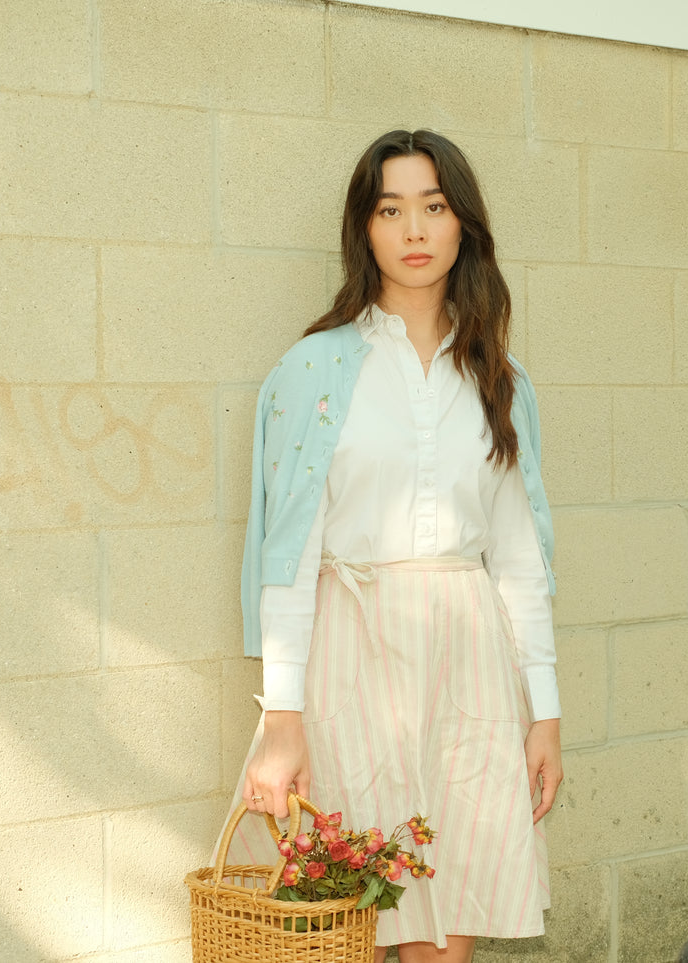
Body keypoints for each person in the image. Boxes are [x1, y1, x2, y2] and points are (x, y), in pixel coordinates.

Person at [224, 129, 563, 962]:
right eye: (390, 208)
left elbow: (518, 558)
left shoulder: (500, 379)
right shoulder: (313, 370)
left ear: (462, 226)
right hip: (349, 659)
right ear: (364, 229)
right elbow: (288, 557)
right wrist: (282, 719)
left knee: (445, 940)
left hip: (467, 668)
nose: (413, 229)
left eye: (433, 207)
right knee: (338, 931)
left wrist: (544, 711)